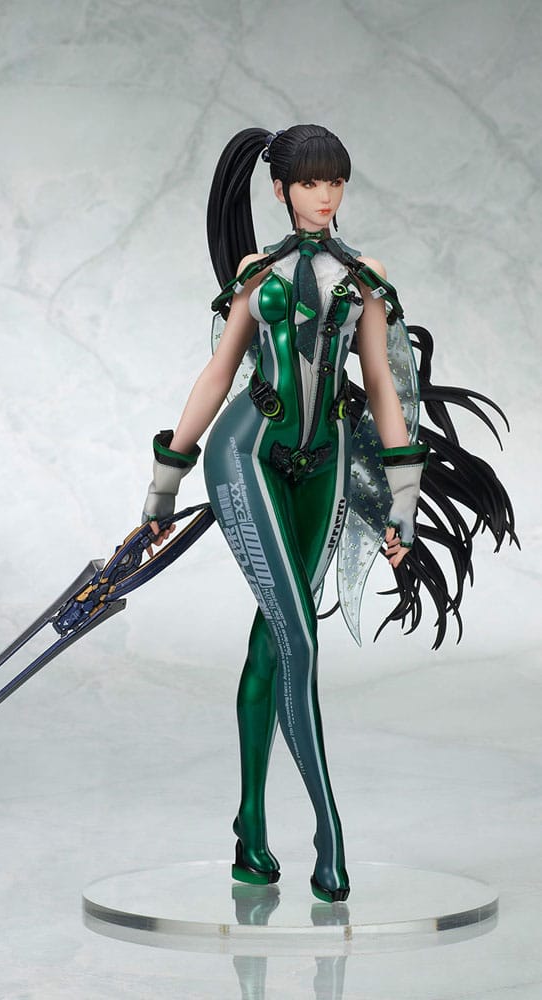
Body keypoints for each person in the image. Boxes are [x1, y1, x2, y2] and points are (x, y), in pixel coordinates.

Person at [141, 124, 515, 903]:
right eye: (310, 182)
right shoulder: (258, 273)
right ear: (279, 189)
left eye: (335, 181)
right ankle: (328, 831)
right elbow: (218, 374)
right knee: (300, 638)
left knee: (276, 641)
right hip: (247, 454)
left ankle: (249, 828)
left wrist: (401, 506)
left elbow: (382, 384)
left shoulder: (365, 279)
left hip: (325, 465)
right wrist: (163, 488)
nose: (325, 195)